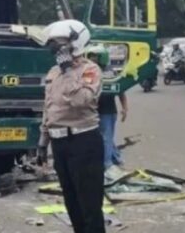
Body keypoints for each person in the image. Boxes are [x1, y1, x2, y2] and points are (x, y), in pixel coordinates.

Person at [37, 20, 104, 233]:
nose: (55, 48)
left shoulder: (90, 70)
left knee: (89, 205)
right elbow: (49, 108)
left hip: (83, 141)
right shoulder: (52, 73)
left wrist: (68, 72)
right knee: (71, 202)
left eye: (60, 44)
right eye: (54, 44)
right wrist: (43, 141)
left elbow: (81, 101)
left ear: (76, 42)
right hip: (59, 144)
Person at [85, 45, 128, 175]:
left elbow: (121, 91)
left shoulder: (110, 73)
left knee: (106, 138)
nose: (92, 59)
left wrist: (125, 108)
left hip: (108, 112)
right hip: (93, 112)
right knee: (104, 138)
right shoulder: (88, 72)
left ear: (102, 58)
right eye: (90, 56)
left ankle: (107, 165)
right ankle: (116, 159)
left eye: (95, 57)